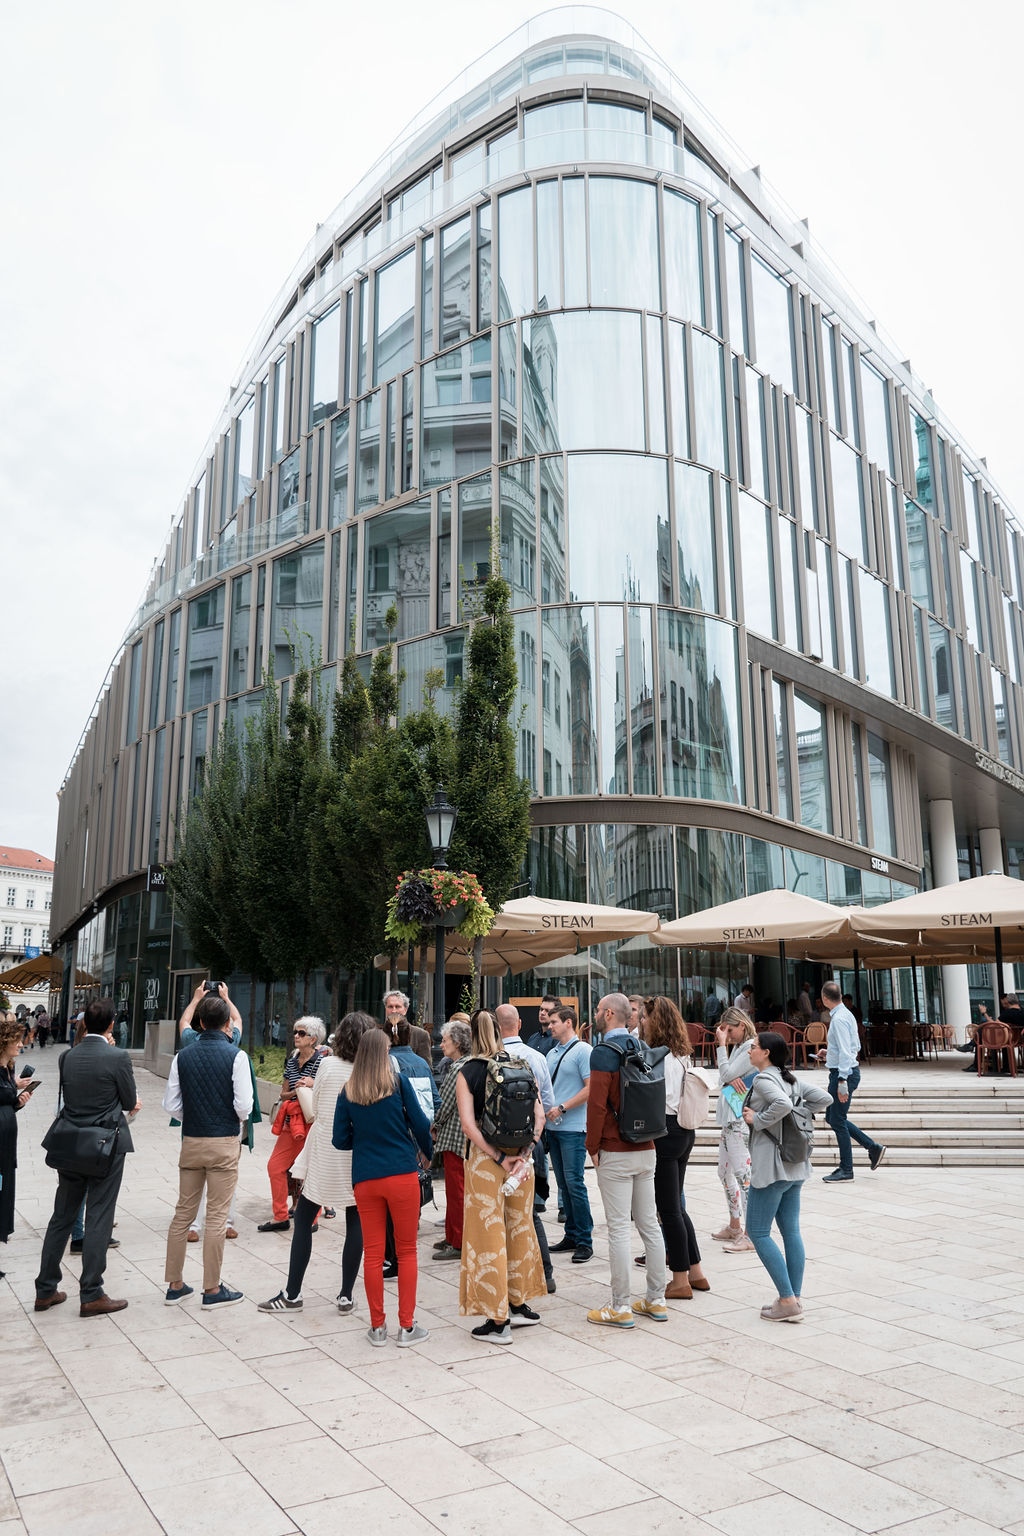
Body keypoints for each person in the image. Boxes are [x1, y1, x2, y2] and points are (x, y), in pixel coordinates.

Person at [259, 1011, 374, 1314]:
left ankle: (293, 1293)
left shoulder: (327, 1065)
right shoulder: (375, 1068)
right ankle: (346, 1294)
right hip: (359, 1151)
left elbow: (318, 1102)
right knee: (355, 1221)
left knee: (305, 1216)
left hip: (325, 1149)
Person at [35, 998, 140, 1318]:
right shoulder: (118, 1056)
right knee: (98, 1215)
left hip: (69, 1145)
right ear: (110, 1025)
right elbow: (130, 1100)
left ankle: (46, 1289)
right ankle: (91, 1292)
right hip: (105, 1147)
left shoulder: (67, 1057)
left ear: (83, 1024)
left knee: (62, 1216)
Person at [332, 1028, 432, 1348]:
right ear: (384, 1053)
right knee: (407, 1250)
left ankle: (377, 1327)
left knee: (373, 1253)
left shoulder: (348, 1091)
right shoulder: (398, 1084)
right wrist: (428, 1154)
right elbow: (419, 1123)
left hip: (365, 1176)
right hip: (401, 1173)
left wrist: (361, 1139)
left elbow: (339, 1139)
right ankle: (407, 1326)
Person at [456, 1009, 546, 1343]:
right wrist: (524, 1154)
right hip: (523, 1161)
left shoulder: (468, 1071)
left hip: (486, 1161)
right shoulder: (520, 1065)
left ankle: (497, 1320)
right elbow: (539, 1115)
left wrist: (497, 1157)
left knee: (487, 1234)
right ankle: (518, 1303)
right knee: (520, 1228)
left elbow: (468, 1124)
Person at [162, 990, 252, 1309]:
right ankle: (212, 1290)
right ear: (227, 1023)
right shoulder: (236, 1056)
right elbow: (244, 1107)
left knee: (183, 1213)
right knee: (216, 1216)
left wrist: (195, 1117)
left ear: (200, 1022)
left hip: (192, 1141)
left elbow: (171, 1105)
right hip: (224, 1142)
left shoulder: (182, 1056)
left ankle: (175, 1284)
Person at [585, 991, 668, 1328]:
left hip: (615, 1149)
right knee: (649, 1224)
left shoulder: (603, 1053)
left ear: (607, 1014)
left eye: (596, 1010)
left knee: (619, 1229)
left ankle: (620, 1306)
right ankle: (656, 1299)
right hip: (647, 1146)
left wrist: (592, 1146)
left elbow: (597, 1104)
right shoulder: (642, 1049)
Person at [742, 1031, 832, 1322]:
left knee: (757, 1232)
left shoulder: (765, 1079)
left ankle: (787, 1299)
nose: (749, 1051)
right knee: (791, 1231)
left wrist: (759, 1119)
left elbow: (780, 1104)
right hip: (795, 1165)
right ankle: (794, 1297)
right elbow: (824, 1098)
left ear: (766, 1052)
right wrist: (801, 1112)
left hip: (772, 1166)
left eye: (753, 1047)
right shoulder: (789, 1077)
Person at [642, 996, 710, 1299]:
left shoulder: (660, 1058)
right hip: (685, 1132)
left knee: (667, 1210)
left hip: (666, 1132)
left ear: (655, 1021)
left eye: (644, 1017)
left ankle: (680, 1279)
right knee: (678, 1208)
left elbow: (659, 1101)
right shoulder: (682, 1054)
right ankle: (696, 1272)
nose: (641, 1022)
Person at [494, 1003, 557, 1292]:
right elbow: (547, 1101)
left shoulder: (488, 1060)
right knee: (530, 1211)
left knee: (499, 1214)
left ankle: (504, 1276)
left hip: (495, 1146)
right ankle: (546, 1273)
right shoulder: (536, 1057)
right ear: (519, 1024)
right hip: (531, 1142)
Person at [178, 982, 244, 1244]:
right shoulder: (233, 1042)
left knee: (192, 1183)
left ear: (201, 1023)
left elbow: (184, 1020)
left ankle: (193, 1226)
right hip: (226, 1129)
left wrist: (195, 999)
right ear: (225, 1022)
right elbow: (237, 1018)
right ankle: (226, 1223)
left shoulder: (189, 1043)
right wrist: (227, 997)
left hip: (194, 1128)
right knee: (228, 1178)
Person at [258, 1016, 325, 1231]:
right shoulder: (292, 1061)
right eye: (295, 1032)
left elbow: (329, 1091)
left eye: (302, 1033)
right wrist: (296, 1089)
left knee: (311, 1169)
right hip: (291, 1121)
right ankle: (280, 1216)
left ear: (313, 1039)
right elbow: (283, 1093)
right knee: (275, 1167)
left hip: (312, 1122)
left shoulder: (322, 1063)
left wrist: (313, 1084)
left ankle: (313, 1217)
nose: (296, 1036)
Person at [820, 981, 885, 1181]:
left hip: (843, 1074)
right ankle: (872, 1147)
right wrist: (829, 1053)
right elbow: (853, 1046)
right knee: (832, 1117)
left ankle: (847, 1168)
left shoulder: (839, 1019)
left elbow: (848, 1052)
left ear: (824, 998)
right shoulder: (846, 1014)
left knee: (837, 1119)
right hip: (845, 1071)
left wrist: (842, 1080)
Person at [545, 1006, 593, 1264]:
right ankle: (572, 1234)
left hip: (574, 1128)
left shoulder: (584, 1050)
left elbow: (591, 1087)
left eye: (554, 1022)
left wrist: (563, 1107)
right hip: (554, 1128)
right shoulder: (552, 1052)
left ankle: (585, 1240)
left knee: (575, 1184)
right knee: (564, 1185)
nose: (549, 1026)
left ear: (568, 1022)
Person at [712, 1007, 757, 1250]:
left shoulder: (749, 1045)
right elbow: (725, 1077)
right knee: (724, 1172)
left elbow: (726, 1073)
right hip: (730, 1117)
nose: (727, 1034)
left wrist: (721, 1047)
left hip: (738, 1118)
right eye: (724, 1031)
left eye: (730, 1029)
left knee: (743, 1176)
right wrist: (728, 1075)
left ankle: (751, 1233)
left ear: (741, 1024)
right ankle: (734, 1224)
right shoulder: (740, 1048)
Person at [430, 1018, 472, 1262]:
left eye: (445, 1040)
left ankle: (457, 1241)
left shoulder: (457, 1068)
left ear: (457, 1042)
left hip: (454, 1137)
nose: (442, 1044)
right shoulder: (469, 1063)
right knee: (457, 1191)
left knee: (456, 1192)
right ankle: (451, 1236)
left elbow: (445, 1105)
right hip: (463, 1137)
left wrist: (434, 1125)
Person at [0, 1015, 34, 1273]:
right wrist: (13, 1091)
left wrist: (17, 1101)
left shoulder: (6, 1070)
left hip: (6, 1146)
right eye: (17, 1041)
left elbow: (7, 1104)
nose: (21, 1045)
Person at [387, 1019, 441, 1120]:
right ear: (409, 1036)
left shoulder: (383, 1063)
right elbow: (436, 1100)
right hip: (420, 1126)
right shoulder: (422, 1063)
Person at [383, 991, 432, 1065]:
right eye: (390, 1007)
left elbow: (426, 1067)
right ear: (385, 1009)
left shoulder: (420, 1035)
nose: (394, 1010)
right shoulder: (378, 1034)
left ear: (405, 1010)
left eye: (398, 1006)